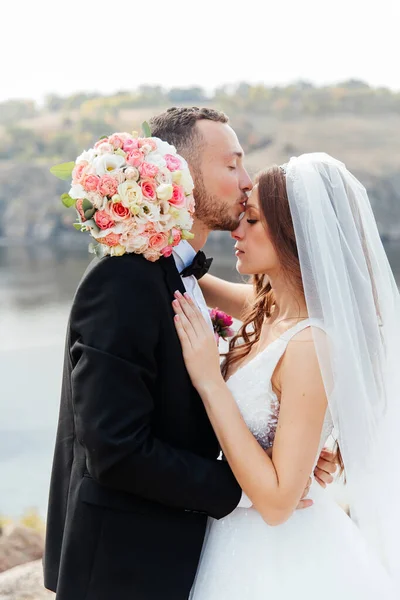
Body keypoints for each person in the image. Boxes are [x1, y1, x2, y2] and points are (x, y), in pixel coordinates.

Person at [44, 109, 336, 600]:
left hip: (196, 557)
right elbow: (113, 449)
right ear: (178, 171)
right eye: (232, 165)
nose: (247, 183)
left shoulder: (184, 279)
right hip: (125, 569)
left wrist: (291, 449)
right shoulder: (124, 282)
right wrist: (248, 487)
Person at [172, 153, 400, 599]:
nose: (236, 231)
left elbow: (278, 503)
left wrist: (209, 380)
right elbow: (187, 280)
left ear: (296, 234)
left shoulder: (311, 345)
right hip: (230, 533)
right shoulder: (270, 311)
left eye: (252, 221)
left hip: (274, 555)